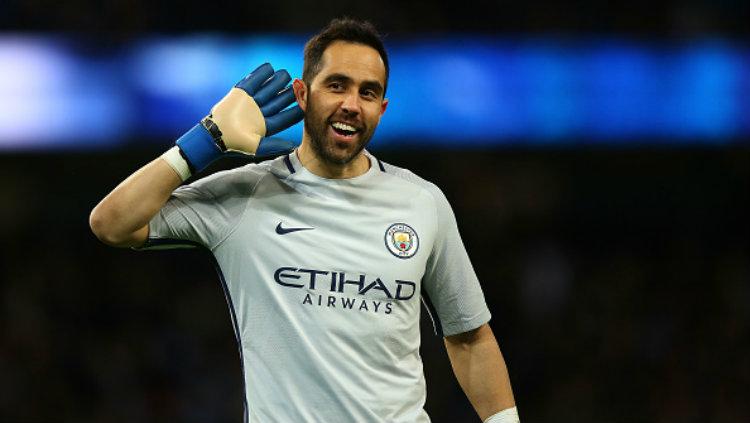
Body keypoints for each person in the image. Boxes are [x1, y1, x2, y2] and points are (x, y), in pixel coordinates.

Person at [89, 17, 519, 423]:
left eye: (368, 93)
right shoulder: (246, 195)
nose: (352, 104)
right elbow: (112, 223)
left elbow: (470, 337)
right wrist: (205, 142)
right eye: (337, 86)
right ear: (302, 94)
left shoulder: (422, 202)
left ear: (382, 109)